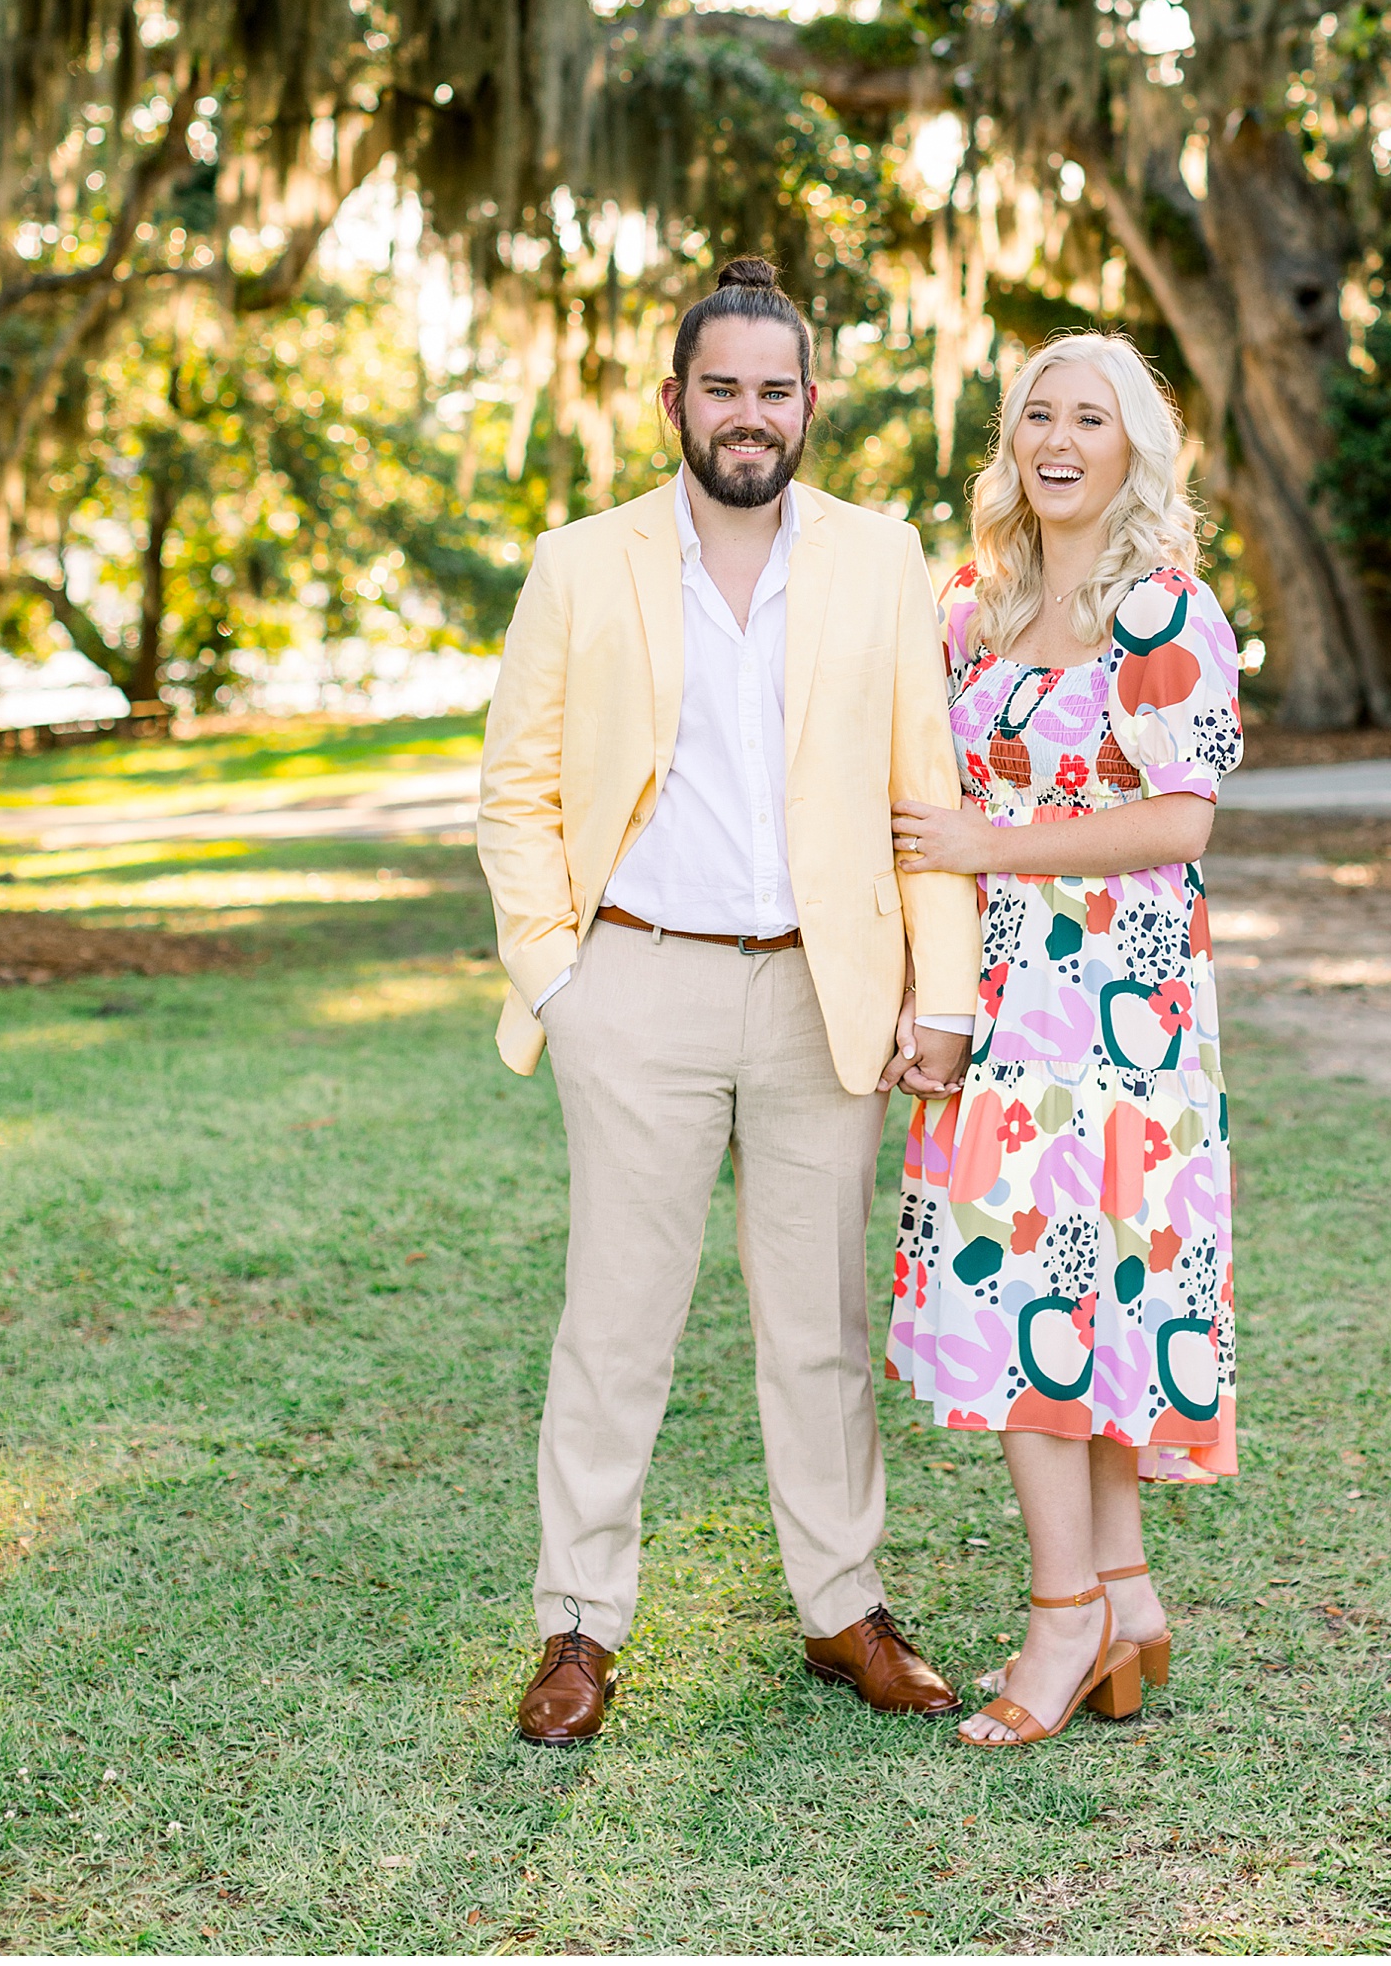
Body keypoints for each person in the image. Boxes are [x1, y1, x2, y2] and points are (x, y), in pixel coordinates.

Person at [476, 256, 981, 1746]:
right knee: (616, 1319)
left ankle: (843, 1609)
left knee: (819, 1324)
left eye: (775, 389)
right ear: (677, 400)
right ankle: (579, 1627)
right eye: (723, 388)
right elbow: (513, 792)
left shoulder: (884, 559)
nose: (749, 414)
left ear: (809, 402)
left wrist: (935, 993)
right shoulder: (583, 562)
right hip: (638, 980)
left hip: (827, 996)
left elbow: (922, 796)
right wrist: (562, 979)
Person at [886, 332, 1242, 1748]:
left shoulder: (1163, 612)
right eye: (1039, 411)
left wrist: (995, 839)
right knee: (1069, 1309)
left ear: (1134, 449)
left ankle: (1062, 1617)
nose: (1059, 436)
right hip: (1009, 1004)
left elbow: (1183, 820)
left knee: (1038, 1303)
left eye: (1091, 417)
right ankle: (1127, 1596)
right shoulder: (978, 602)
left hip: (1121, 1018)